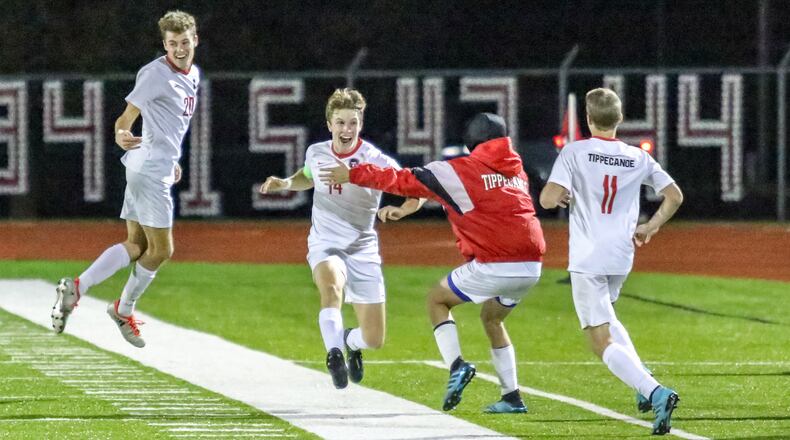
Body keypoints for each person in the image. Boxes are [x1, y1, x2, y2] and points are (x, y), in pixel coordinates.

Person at [321, 113, 546, 413]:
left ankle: (456, 366)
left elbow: (402, 180)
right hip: (532, 266)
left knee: (437, 300)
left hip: (495, 263)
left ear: (471, 141)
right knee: (492, 319)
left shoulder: (460, 169)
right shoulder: (518, 171)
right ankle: (512, 397)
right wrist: (404, 212)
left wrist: (353, 174)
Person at [51, 11, 201, 348]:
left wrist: (172, 159)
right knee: (163, 250)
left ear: (196, 40)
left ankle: (79, 286)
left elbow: (168, 125)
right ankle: (123, 308)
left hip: (146, 164)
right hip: (148, 169)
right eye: (172, 43)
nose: (179, 48)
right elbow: (126, 117)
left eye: (184, 41)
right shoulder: (154, 73)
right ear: (164, 44)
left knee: (137, 245)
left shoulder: (194, 74)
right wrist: (121, 131)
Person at [539, 88, 684, 436]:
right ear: (619, 120)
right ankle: (643, 387)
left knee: (599, 339)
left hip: (589, 256)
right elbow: (674, 196)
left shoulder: (575, 151)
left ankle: (655, 391)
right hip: (621, 255)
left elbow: (546, 200)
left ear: (588, 120)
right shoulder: (637, 157)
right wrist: (652, 225)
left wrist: (563, 196)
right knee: (609, 318)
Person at [259, 88, 424, 389]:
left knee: (374, 339)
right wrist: (285, 183)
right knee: (331, 287)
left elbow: (415, 190)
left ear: (360, 124)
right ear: (329, 124)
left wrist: (401, 211)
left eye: (352, 123)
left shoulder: (375, 160)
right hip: (326, 241)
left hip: (363, 246)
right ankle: (334, 353)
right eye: (340, 122)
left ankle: (349, 340)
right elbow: (308, 175)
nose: (346, 129)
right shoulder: (317, 152)